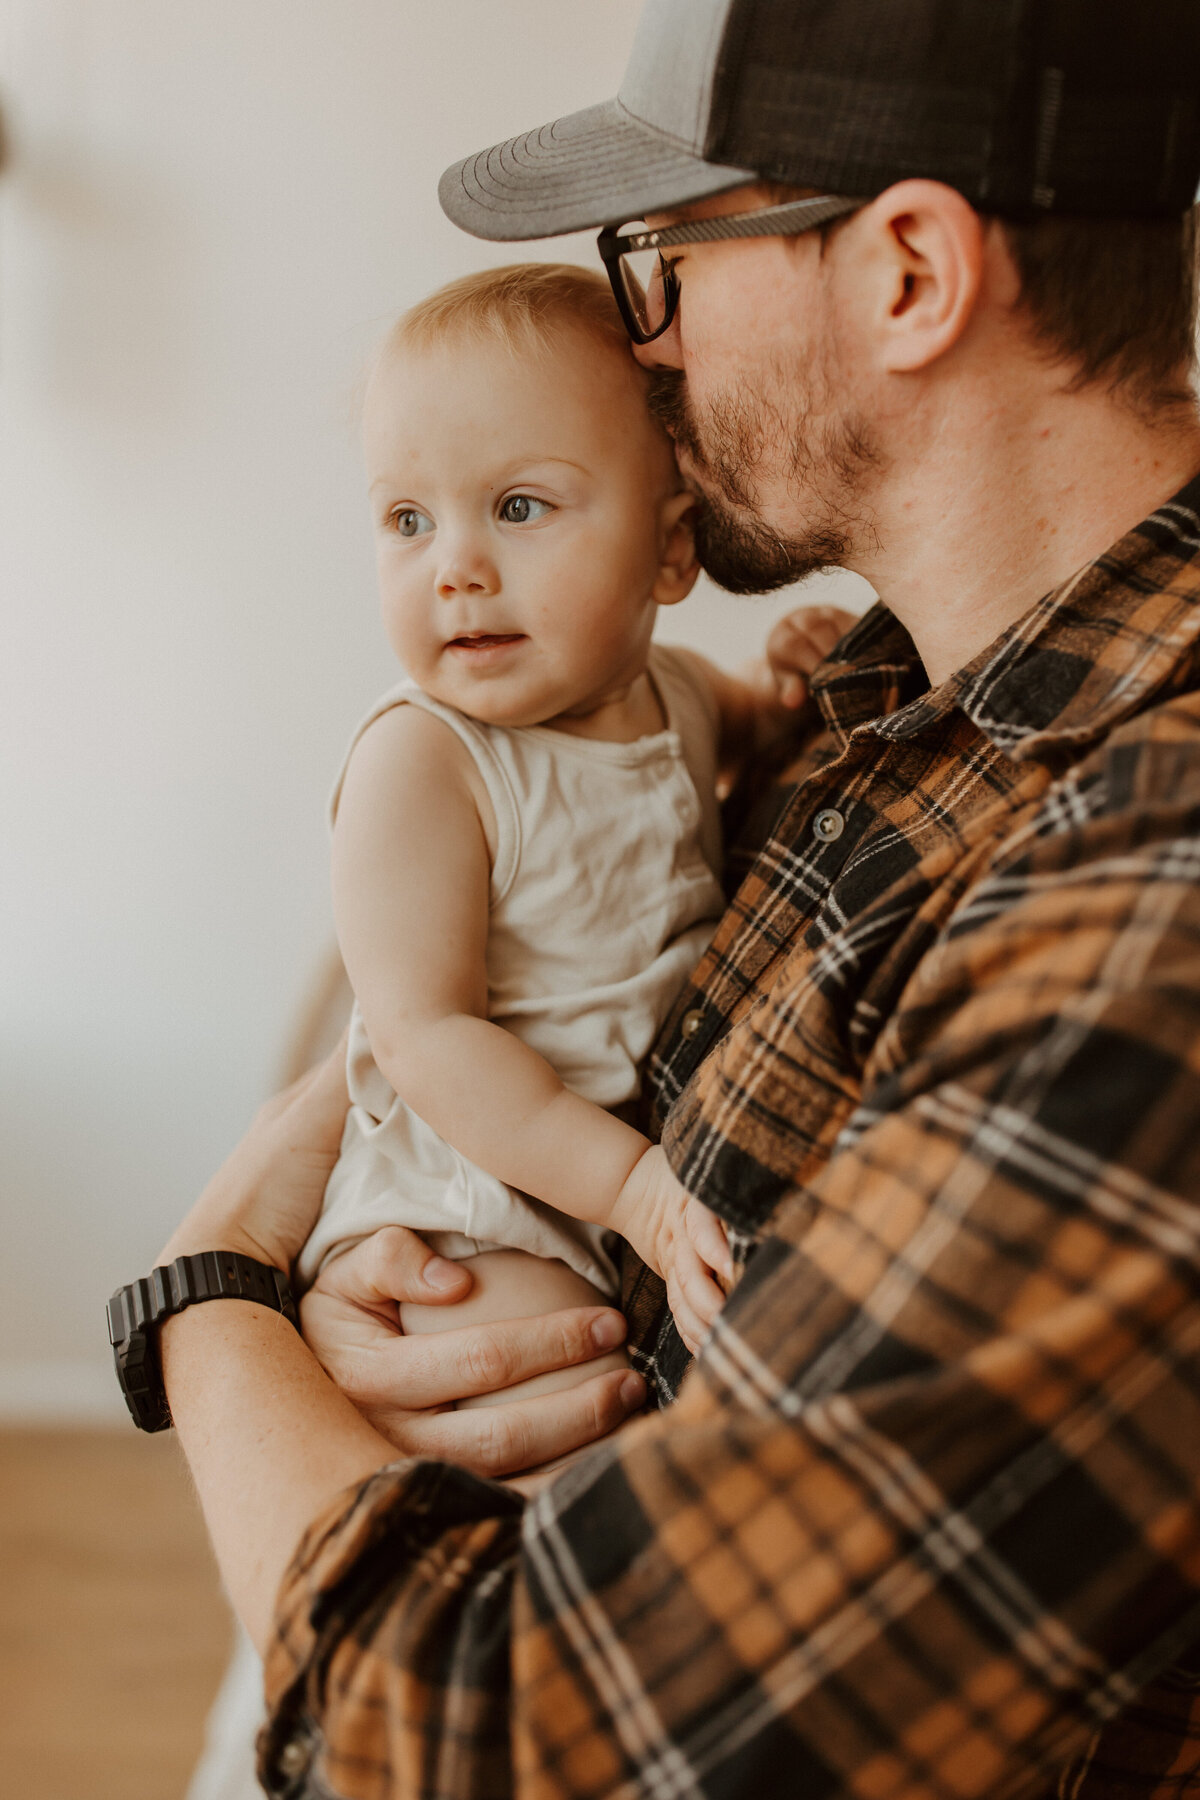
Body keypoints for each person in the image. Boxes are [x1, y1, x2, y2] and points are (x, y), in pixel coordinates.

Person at [136, 1, 1200, 1794]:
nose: (643, 337)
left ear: (911, 274)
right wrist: (396, 1312)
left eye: (664, 255)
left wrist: (212, 1298)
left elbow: (495, 1750)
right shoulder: (892, 700)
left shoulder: (1140, 908)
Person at [297, 261, 775, 1366]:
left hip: (612, 1181)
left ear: (671, 550)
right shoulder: (424, 762)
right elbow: (426, 1037)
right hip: (477, 1198)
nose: (454, 569)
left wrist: (791, 680)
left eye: (518, 507)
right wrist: (632, 1191)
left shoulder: (685, 696)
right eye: (406, 519)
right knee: (540, 1379)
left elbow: (763, 726)